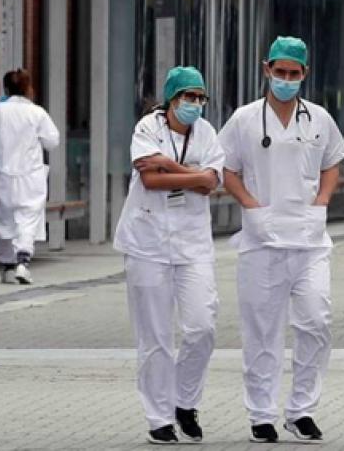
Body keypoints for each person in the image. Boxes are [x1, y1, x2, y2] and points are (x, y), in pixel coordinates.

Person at [217, 36, 344, 443]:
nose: (286, 79)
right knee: (262, 332)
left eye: (294, 73)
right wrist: (250, 205)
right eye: (280, 72)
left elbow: (332, 163)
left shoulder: (319, 118)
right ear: (267, 69)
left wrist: (322, 201)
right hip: (262, 241)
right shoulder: (244, 119)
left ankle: (302, 409)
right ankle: (261, 414)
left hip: (310, 240)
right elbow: (226, 169)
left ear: (305, 73)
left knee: (316, 322)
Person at [113, 66, 224, 444]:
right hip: (147, 242)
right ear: (172, 98)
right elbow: (149, 178)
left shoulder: (207, 133)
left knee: (202, 326)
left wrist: (170, 166)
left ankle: (184, 401)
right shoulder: (148, 127)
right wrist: (192, 173)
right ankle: (159, 417)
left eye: (200, 97)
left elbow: (210, 183)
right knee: (155, 337)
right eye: (188, 96)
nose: (195, 103)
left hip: (193, 243)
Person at [0, 69, 59, 284]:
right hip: (30, 174)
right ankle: (23, 261)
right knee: (28, 218)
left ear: (6, 88)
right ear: (28, 88)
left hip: (3, 174)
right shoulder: (37, 113)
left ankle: (8, 266)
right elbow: (52, 141)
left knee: (6, 219)